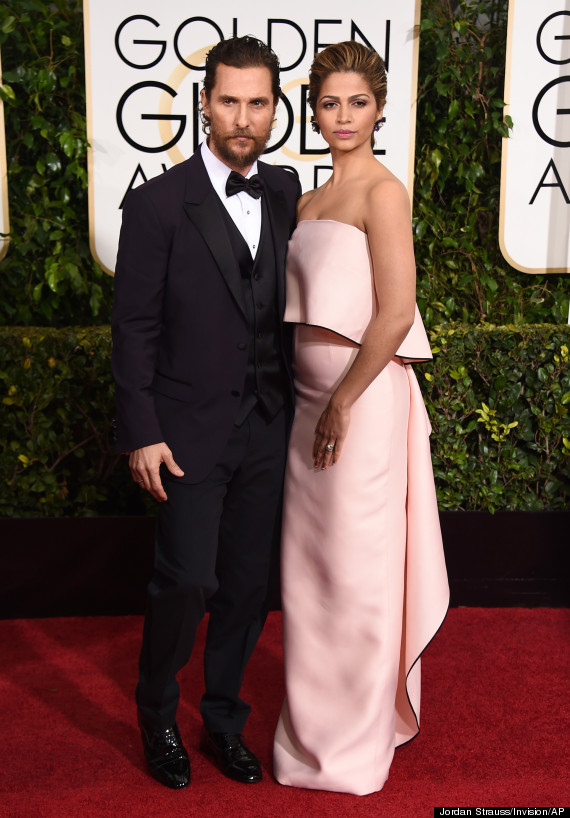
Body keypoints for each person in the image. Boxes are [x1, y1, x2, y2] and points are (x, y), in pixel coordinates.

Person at [112, 35, 301, 790]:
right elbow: (134, 329)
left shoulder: (285, 191)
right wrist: (142, 431)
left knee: (248, 586)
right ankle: (158, 713)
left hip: (269, 424)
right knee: (187, 579)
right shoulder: (157, 203)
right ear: (204, 104)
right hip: (185, 431)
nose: (243, 118)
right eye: (229, 101)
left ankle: (223, 718)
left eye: (258, 103)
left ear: (275, 108)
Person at [272, 41, 449, 796]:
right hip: (307, 406)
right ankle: (309, 738)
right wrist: (314, 402)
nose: (343, 116)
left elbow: (397, 311)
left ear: (379, 109)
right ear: (313, 112)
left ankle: (355, 746)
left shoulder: (383, 192)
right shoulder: (307, 202)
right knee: (309, 575)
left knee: (357, 574)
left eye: (358, 102)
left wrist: (343, 400)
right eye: (329, 103)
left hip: (363, 405)